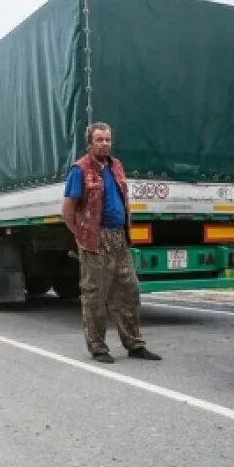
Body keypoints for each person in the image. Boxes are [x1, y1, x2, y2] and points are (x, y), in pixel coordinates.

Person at [62, 121, 162, 364]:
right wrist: (82, 235)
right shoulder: (80, 169)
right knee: (95, 295)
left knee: (129, 290)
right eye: (99, 139)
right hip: (95, 239)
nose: (104, 143)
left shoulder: (116, 166)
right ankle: (98, 347)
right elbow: (68, 210)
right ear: (90, 142)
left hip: (119, 237)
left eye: (107, 139)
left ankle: (135, 344)